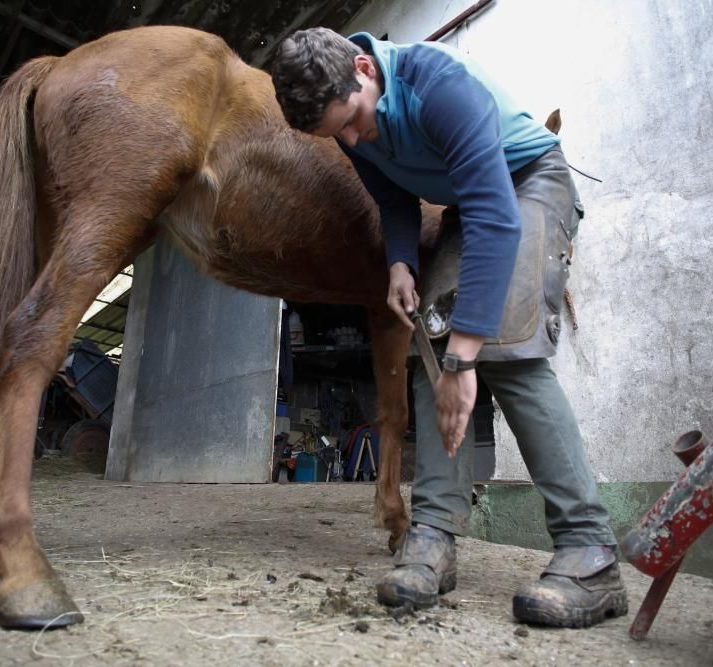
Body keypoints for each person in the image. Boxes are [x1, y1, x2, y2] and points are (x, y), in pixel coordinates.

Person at [272, 27, 628, 628]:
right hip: (472, 204)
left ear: (365, 67)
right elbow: (393, 199)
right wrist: (401, 263)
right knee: (430, 352)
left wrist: (468, 359)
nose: (355, 140)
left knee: (505, 348)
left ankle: (591, 552)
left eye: (355, 121)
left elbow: (496, 215)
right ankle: (433, 538)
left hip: (529, 183)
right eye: (340, 136)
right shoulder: (348, 115)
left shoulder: (440, 86)